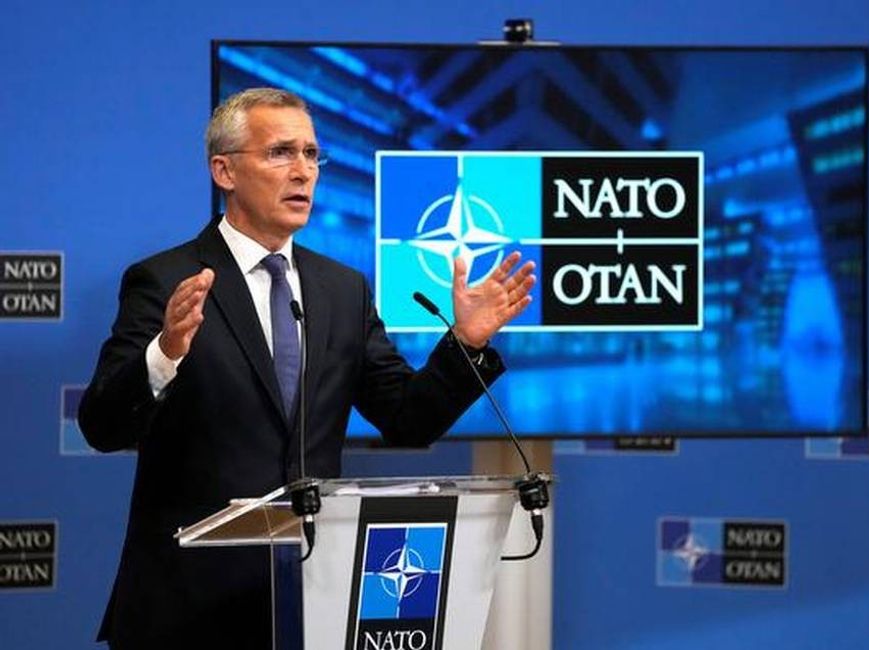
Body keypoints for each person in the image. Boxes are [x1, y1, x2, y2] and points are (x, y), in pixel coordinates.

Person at [78, 87, 535, 649]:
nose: (303, 171)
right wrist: (165, 351)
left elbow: (406, 418)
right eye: (280, 153)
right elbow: (101, 426)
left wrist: (464, 341)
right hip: (187, 609)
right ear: (223, 170)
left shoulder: (340, 289)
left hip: (315, 597)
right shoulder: (165, 280)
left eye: (312, 155)